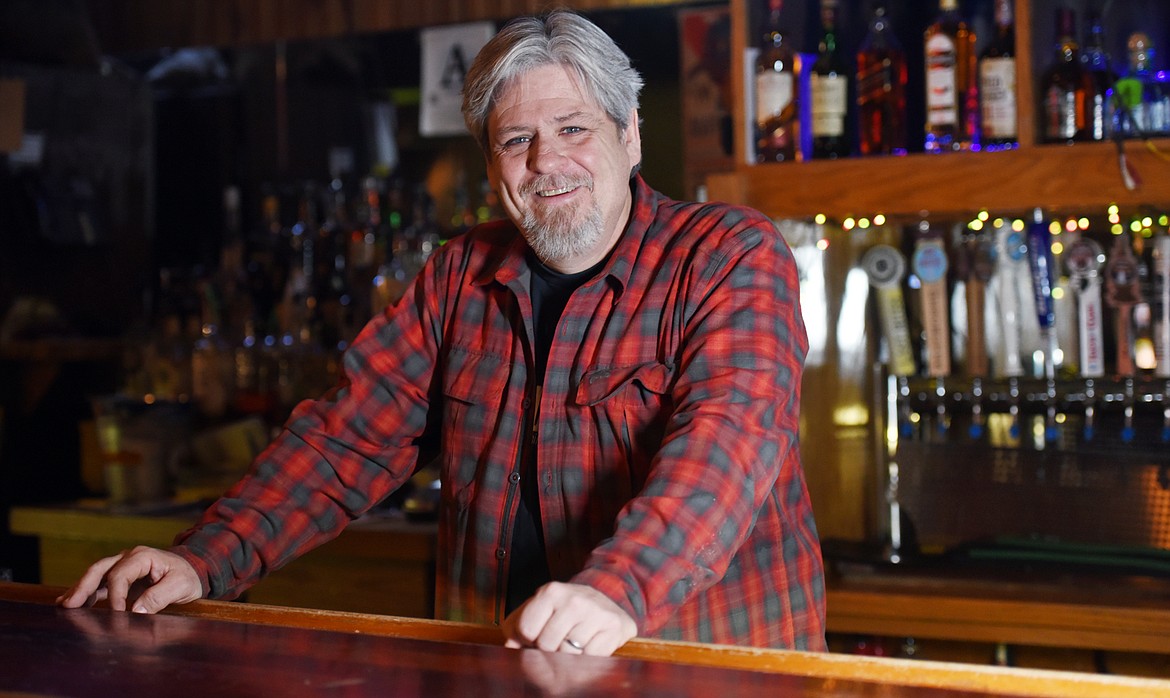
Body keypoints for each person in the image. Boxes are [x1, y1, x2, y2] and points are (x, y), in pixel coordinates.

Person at [59, 9, 826, 657]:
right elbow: (345, 439)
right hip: (496, 667)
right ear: (491, 164)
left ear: (629, 136)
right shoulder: (458, 276)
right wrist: (203, 559)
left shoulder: (730, 254)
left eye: (572, 127)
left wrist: (618, 590)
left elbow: (729, 440)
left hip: (700, 670)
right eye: (515, 139)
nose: (546, 161)